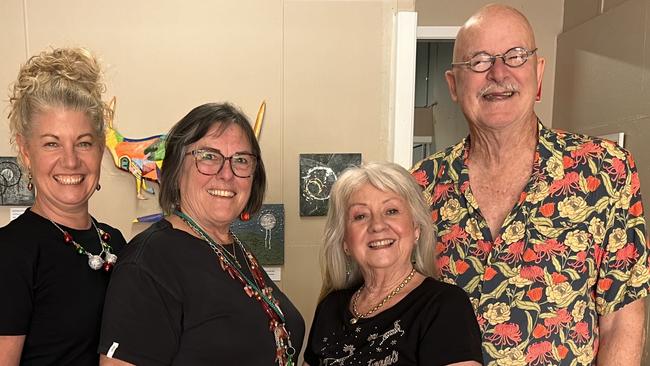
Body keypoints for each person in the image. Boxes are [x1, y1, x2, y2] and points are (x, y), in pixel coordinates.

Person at [411, 4, 648, 365]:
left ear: (538, 74)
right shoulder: (419, 186)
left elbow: (622, 318)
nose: (498, 72)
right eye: (478, 60)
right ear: (453, 85)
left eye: (516, 56)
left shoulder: (605, 169)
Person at [98, 102, 305, 365]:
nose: (226, 174)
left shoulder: (233, 248)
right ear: (175, 170)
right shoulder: (148, 264)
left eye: (241, 160)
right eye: (208, 156)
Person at [0, 47, 127, 365]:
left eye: (84, 142)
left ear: (100, 149)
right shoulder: (11, 252)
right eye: (51, 143)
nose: (70, 161)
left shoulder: (114, 242)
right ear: (26, 152)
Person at [304, 162, 483, 366]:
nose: (377, 225)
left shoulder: (444, 305)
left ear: (416, 228)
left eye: (391, 211)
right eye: (360, 216)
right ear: (345, 241)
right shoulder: (331, 307)